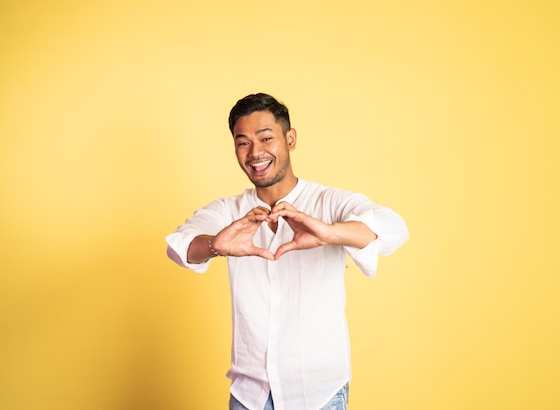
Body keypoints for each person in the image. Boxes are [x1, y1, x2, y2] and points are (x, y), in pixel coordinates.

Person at [165, 93, 409, 410]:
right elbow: (180, 245)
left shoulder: (329, 202)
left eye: (266, 138)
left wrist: (329, 233)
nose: (255, 152)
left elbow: (393, 228)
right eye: (243, 142)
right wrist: (214, 245)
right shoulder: (229, 211)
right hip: (249, 396)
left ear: (290, 139)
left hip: (320, 394)